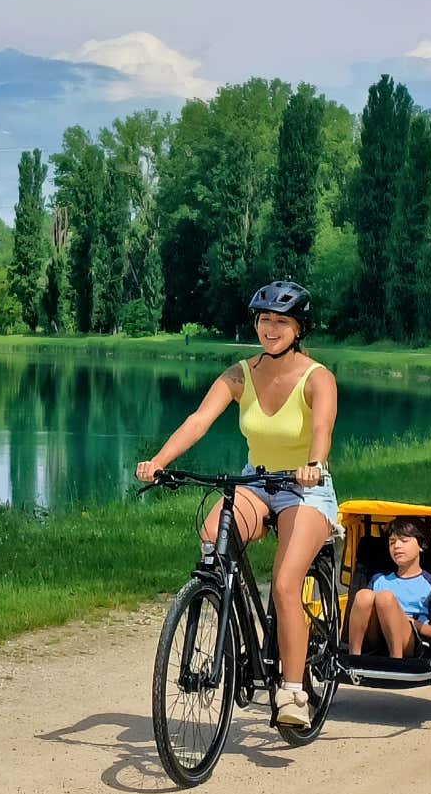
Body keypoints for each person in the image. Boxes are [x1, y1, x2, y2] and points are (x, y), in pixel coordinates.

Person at [135, 280, 338, 728]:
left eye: (281, 321)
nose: (270, 328)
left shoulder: (317, 378)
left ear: (299, 328)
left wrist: (314, 463)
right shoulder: (239, 374)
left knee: (286, 584)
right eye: (265, 320)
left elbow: (321, 430)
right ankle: (230, 613)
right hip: (256, 480)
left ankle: (292, 691)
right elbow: (198, 420)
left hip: (305, 488)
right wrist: (159, 461)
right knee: (212, 539)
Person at [346, 517, 431, 658]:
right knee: (364, 595)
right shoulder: (379, 580)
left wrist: (412, 622)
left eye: (404, 541)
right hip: (376, 636)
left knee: (385, 598)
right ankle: (354, 656)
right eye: (392, 542)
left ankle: (396, 659)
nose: (397, 546)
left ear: (421, 545)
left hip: (410, 638)